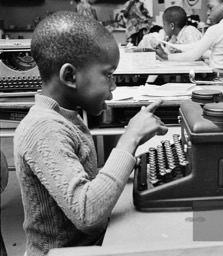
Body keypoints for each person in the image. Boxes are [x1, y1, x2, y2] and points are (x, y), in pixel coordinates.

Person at [13, 11, 168, 256]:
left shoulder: (65, 117)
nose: (113, 86)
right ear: (70, 76)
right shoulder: (43, 129)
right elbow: (87, 214)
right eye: (108, 75)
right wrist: (130, 139)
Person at [156, 0, 223, 76]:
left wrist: (166, 56)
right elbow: (194, 46)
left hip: (218, 78)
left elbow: (193, 54)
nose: (207, 13)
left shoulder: (215, 29)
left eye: (210, 8)